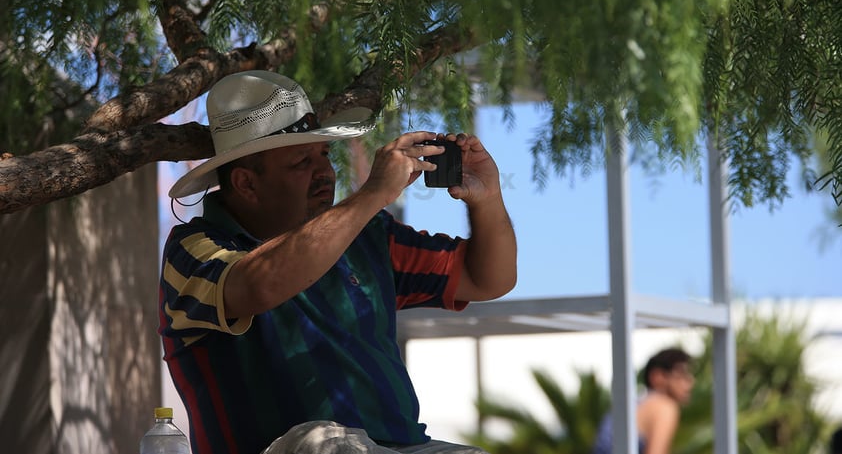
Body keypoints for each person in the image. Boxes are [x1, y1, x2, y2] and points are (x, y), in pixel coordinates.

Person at [158, 70, 518, 454]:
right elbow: (258, 284)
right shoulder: (193, 247)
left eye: (325, 155)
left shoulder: (366, 234)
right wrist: (373, 194)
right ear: (246, 184)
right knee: (325, 443)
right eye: (301, 161)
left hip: (402, 448)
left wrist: (487, 198)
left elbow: (487, 280)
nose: (325, 172)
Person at [592, 348, 696, 454]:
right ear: (657, 376)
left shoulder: (634, 403)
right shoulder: (664, 406)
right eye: (682, 374)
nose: (690, 382)